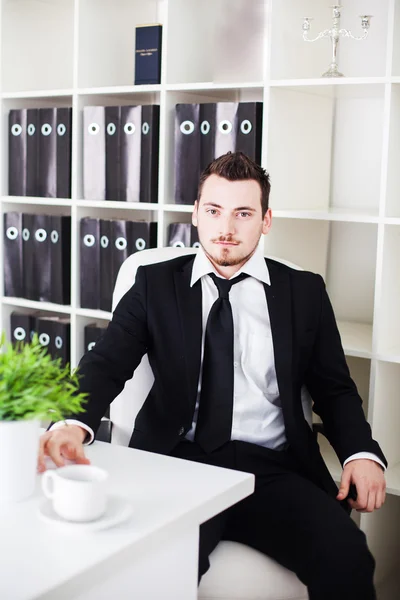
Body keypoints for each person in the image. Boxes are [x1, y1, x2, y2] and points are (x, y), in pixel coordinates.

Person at [38, 152, 387, 599]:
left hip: (274, 469)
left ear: (266, 220)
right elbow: (106, 362)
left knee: (349, 559)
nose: (227, 227)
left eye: (243, 213)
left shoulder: (304, 292)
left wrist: (361, 452)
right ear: (195, 214)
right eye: (214, 210)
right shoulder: (153, 284)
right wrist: (70, 422)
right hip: (181, 465)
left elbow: (335, 389)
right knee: (156, 573)